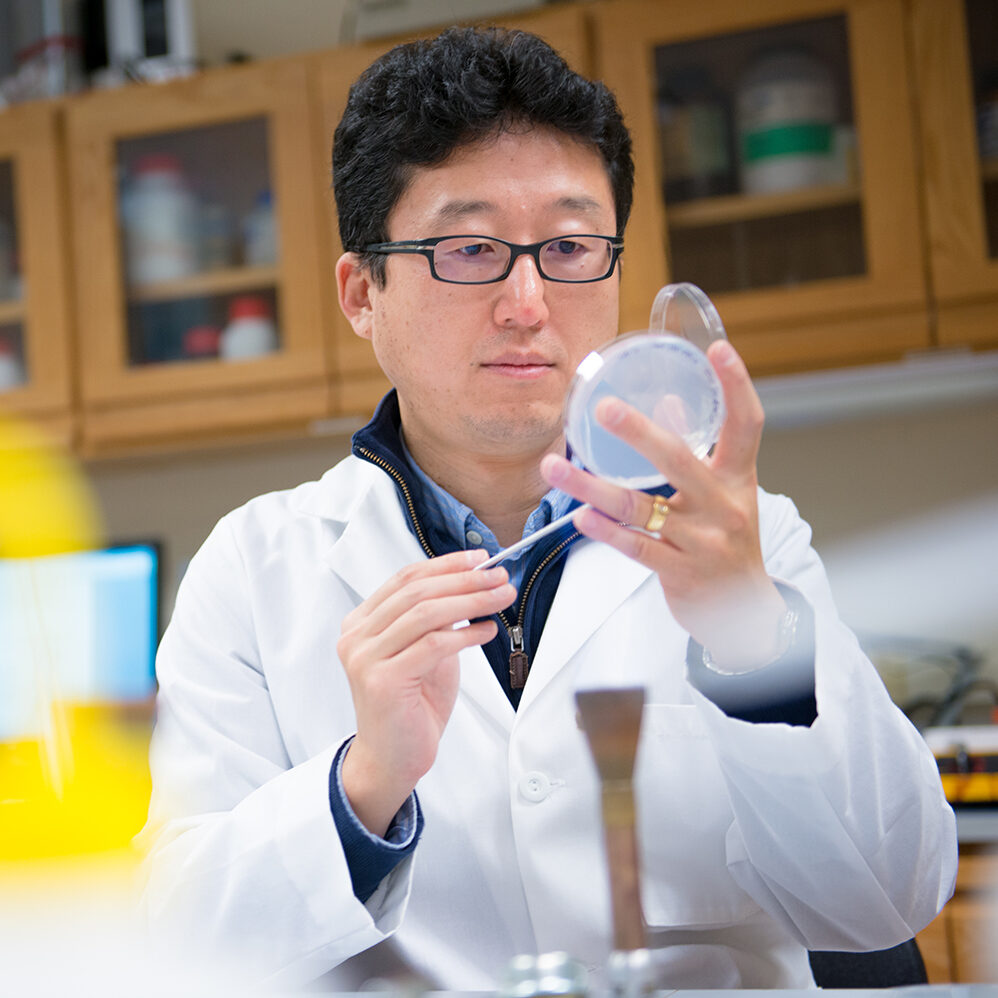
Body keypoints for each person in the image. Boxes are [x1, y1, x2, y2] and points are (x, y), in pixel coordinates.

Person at [139, 25, 957, 991]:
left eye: (570, 246)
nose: (529, 301)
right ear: (363, 292)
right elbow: (175, 950)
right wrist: (361, 786)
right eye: (469, 248)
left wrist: (753, 639)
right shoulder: (255, 566)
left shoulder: (741, 538)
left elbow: (888, 901)